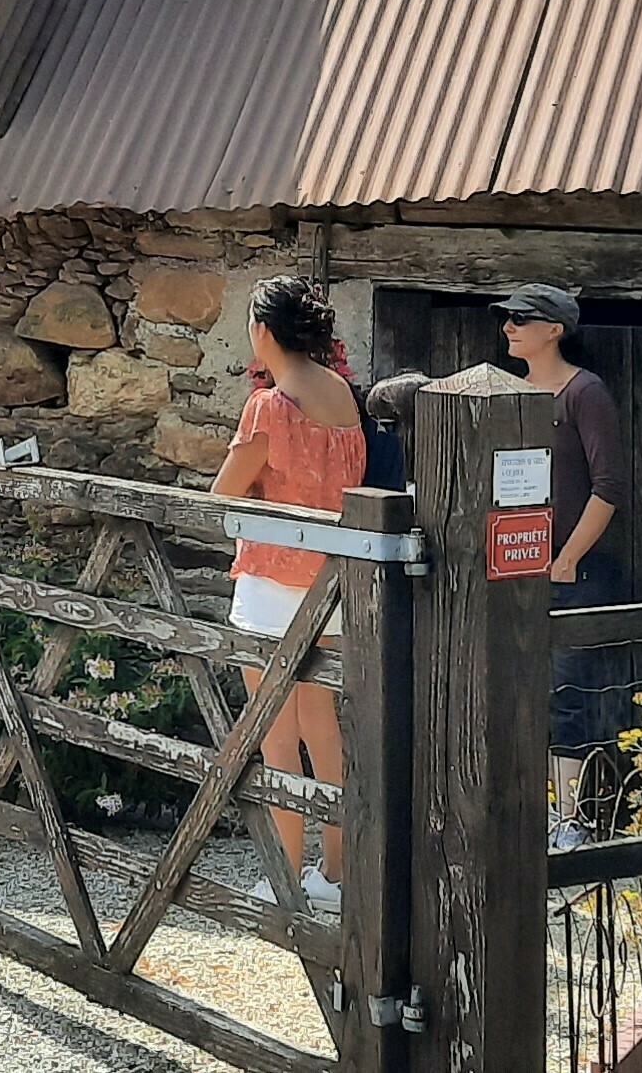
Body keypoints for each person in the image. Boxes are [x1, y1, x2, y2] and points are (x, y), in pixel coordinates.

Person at [211, 276, 366, 911]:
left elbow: (224, 494)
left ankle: (284, 877)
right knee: (323, 729)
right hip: (330, 586)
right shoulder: (345, 398)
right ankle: (334, 875)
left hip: (272, 584)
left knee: (275, 734)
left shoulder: (268, 407)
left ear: (264, 332)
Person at [500, 284, 630, 796]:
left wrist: (568, 558)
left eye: (521, 319)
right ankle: (525, 814)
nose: (508, 327)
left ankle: (567, 823)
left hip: (574, 576)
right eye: (506, 318)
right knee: (517, 691)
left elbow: (610, 485)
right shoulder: (509, 392)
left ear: (555, 330)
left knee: (567, 696)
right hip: (517, 568)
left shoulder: (584, 392)